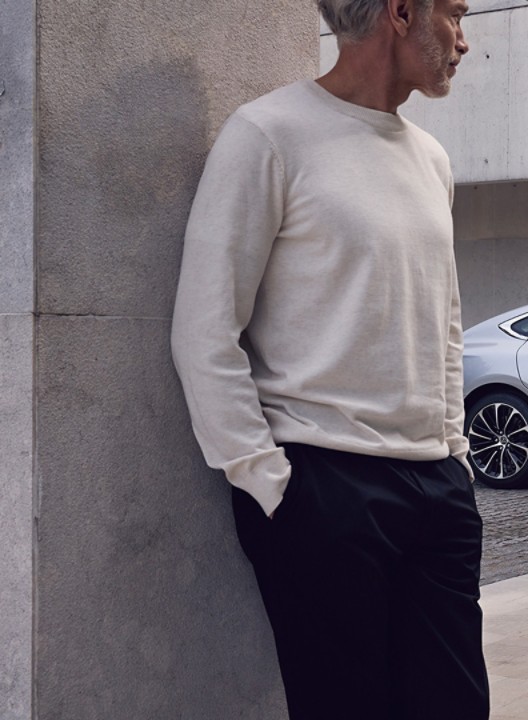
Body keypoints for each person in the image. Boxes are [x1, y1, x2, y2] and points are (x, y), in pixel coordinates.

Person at [170, 0, 484, 717]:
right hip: (323, 490)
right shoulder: (268, 135)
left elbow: (445, 320)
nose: (464, 40)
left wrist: (457, 457)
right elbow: (204, 329)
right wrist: (270, 485)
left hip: (434, 486)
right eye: (455, 16)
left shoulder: (431, 160)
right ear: (402, 13)